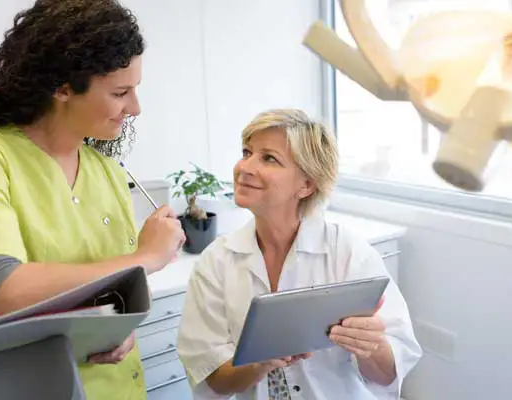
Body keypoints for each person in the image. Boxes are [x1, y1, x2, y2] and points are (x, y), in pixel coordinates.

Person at [0, 1, 185, 399]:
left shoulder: (106, 171)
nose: (135, 108)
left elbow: (121, 294)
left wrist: (121, 330)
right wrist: (146, 256)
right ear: (63, 87)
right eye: (121, 92)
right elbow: (6, 291)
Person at [176, 109, 422, 399]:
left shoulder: (348, 252)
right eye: (247, 152)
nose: (245, 166)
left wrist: (372, 346)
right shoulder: (217, 261)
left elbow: (388, 375)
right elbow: (214, 379)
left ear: (306, 185)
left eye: (269, 158)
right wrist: (259, 361)